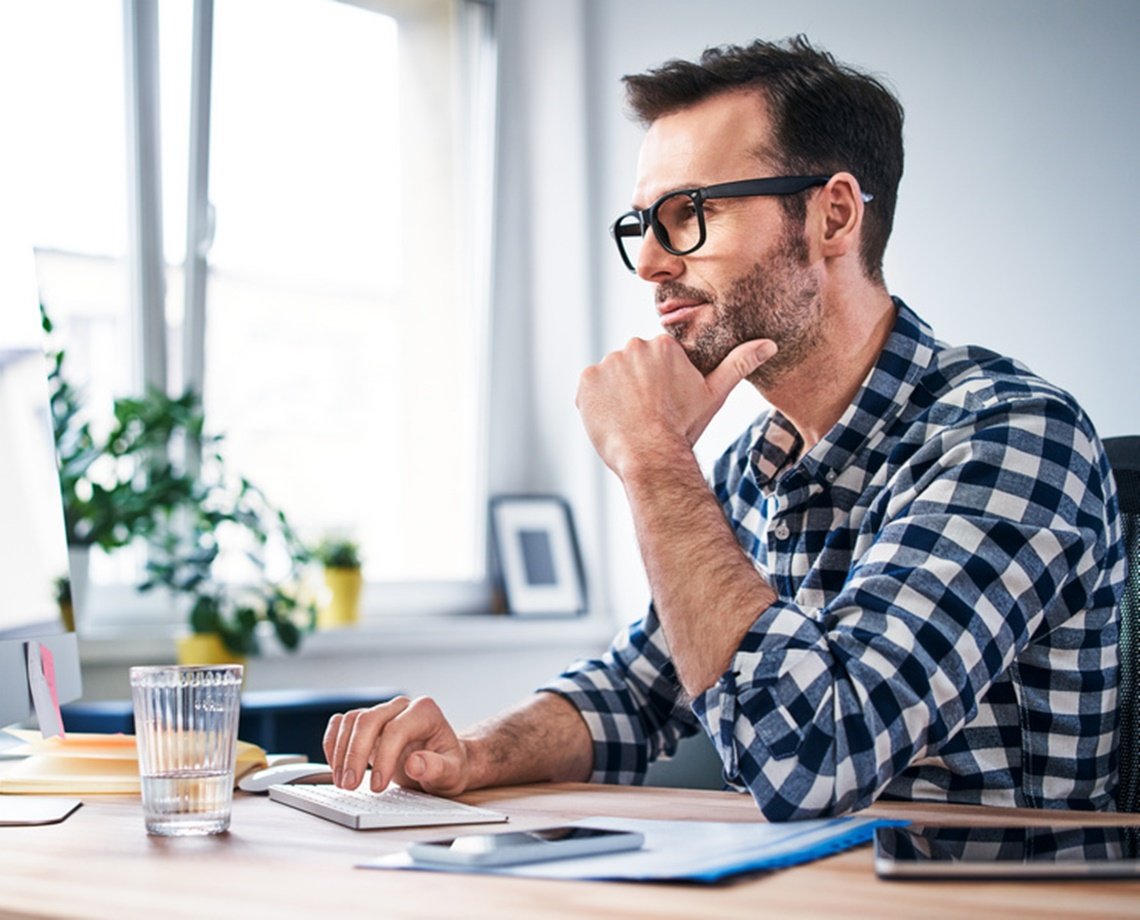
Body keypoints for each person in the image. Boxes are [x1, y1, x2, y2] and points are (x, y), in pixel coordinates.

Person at [324, 36, 1124, 820]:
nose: (651, 264)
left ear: (832, 216)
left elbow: (817, 756)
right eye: (645, 223)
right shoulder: (756, 466)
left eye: (691, 213)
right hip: (803, 896)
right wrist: (473, 752)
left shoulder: (1009, 436)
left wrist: (651, 456)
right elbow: (634, 692)